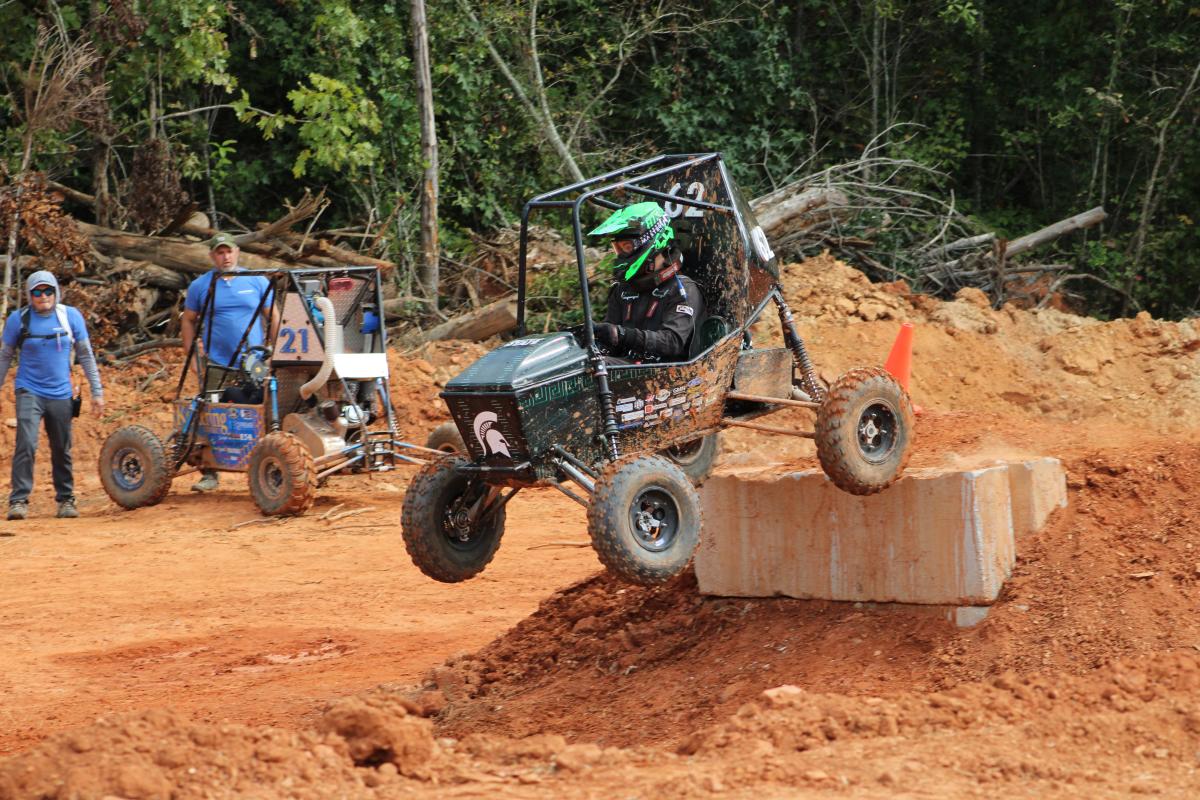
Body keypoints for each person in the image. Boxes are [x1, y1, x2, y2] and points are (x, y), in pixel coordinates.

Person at [0, 271, 104, 522]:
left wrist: (97, 392)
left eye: (48, 291)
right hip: (29, 389)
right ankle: (19, 500)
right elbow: (5, 355)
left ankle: (66, 498)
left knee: (62, 447)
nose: (43, 296)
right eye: (37, 292)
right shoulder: (19, 319)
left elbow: (87, 356)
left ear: (56, 292)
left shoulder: (70, 317)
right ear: (29, 295)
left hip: (61, 392)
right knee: (26, 442)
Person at [180, 233, 275, 493]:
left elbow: (273, 316)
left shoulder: (256, 281)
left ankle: (269, 466)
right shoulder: (202, 285)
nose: (226, 257)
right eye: (220, 253)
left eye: (229, 251)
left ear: (237, 252)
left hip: (254, 362)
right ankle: (209, 472)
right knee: (210, 413)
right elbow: (188, 319)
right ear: (212, 256)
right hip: (217, 362)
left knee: (264, 410)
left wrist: (276, 352)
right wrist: (192, 357)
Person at [587, 202, 704, 363]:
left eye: (626, 247)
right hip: (629, 369)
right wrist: (595, 337)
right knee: (582, 361)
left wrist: (623, 334)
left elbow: (673, 342)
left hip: (668, 376)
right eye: (617, 248)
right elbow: (611, 341)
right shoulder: (623, 290)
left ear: (654, 240)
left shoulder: (682, 289)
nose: (621, 254)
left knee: (596, 367)